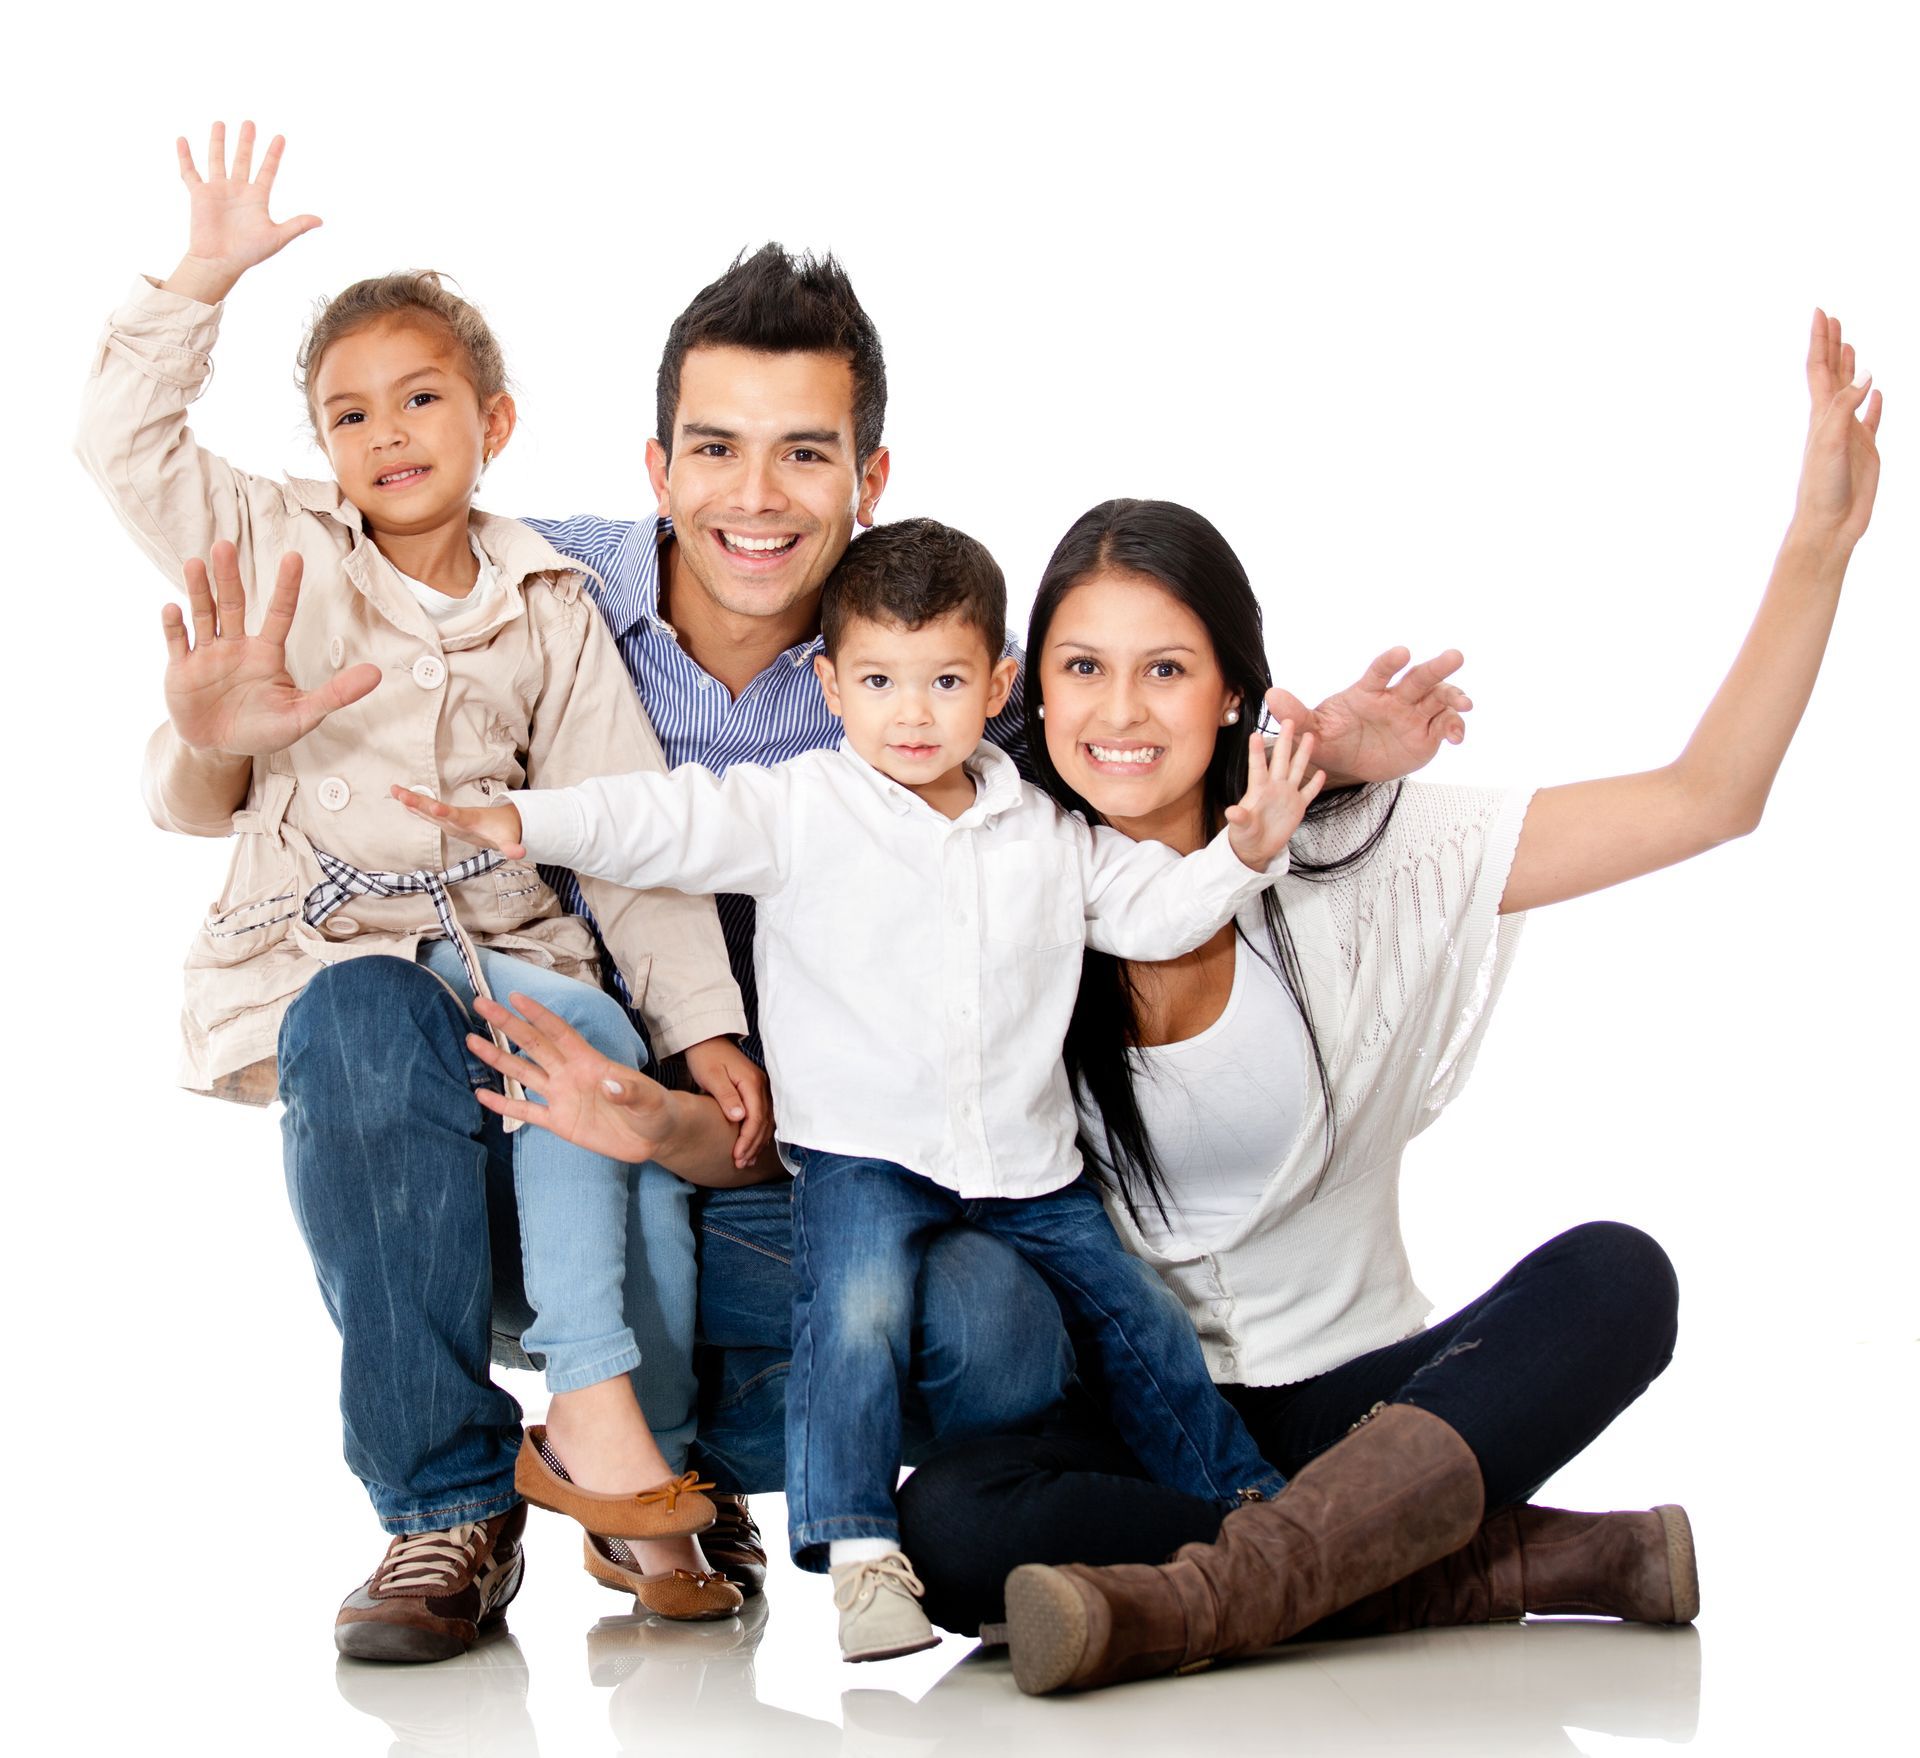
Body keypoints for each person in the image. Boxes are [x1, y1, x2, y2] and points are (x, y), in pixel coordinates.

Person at [129, 138, 1467, 1658]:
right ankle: (447, 1504)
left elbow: (1123, 778)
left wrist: (1302, 758)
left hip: (785, 1196)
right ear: (655, 465)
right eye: (714, 447)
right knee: (360, 1008)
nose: (754, 498)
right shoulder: (523, 590)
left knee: (1000, 1322)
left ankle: (674, 1475)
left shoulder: (931, 691)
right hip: (506, 1178)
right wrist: (202, 739)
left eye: (806, 454)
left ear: (869, 476)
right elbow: (248, 780)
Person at [880, 312, 1881, 1694]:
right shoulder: (986, 872)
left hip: (1367, 1405)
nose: (1121, 709)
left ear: (1236, 689)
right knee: (943, 1517)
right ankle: (1494, 1564)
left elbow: (1707, 799)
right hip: (1138, 1416)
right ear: (1028, 693)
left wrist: (1816, 546)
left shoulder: (1364, 856)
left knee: (1617, 1276)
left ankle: (1230, 1588)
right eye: (1082, 666)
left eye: (1166, 667)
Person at [79, 124, 785, 1645]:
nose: (387, 434)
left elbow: (630, 830)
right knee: (366, 1011)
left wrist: (703, 1030)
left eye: (420, 399)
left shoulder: (547, 597)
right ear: (318, 443)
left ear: (494, 419)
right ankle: (443, 1509)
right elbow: (122, 445)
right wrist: (198, 282)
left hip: (521, 962)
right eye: (348, 413)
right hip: (339, 964)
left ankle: (630, 1464)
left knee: (613, 1104)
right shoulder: (276, 538)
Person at [393, 516, 1328, 1658]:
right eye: (880, 681)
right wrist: (520, 822)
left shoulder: (1042, 828)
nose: (912, 713)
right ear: (831, 686)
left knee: (1140, 1326)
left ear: (998, 686)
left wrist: (1246, 852)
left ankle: (1251, 1506)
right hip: (862, 1156)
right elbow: (659, 818)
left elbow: (1152, 910)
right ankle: (861, 1556)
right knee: (855, 1319)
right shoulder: (800, 807)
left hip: (1026, 1165)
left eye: (943, 681)